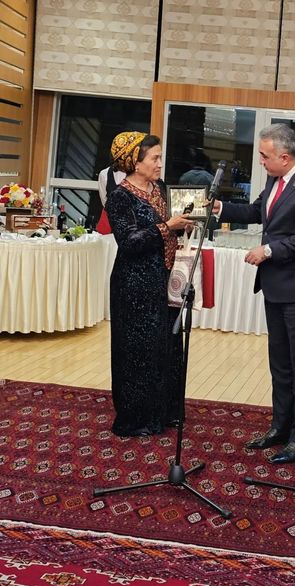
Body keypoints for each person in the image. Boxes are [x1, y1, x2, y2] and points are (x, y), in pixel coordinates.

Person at [211, 123, 295, 464]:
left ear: (285, 156)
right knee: (280, 365)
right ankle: (280, 427)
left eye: (264, 156)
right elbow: (257, 211)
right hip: (275, 288)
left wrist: (269, 250)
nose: (260, 162)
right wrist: (221, 208)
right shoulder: (274, 178)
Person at [105, 131, 194, 437]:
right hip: (134, 285)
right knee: (138, 352)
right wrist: (167, 226)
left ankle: (166, 412)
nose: (159, 164)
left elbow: (170, 229)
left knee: (167, 346)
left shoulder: (161, 188)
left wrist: (184, 225)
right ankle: (136, 418)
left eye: (160, 157)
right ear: (135, 162)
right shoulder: (120, 197)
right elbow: (129, 241)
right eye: (154, 158)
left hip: (165, 280)